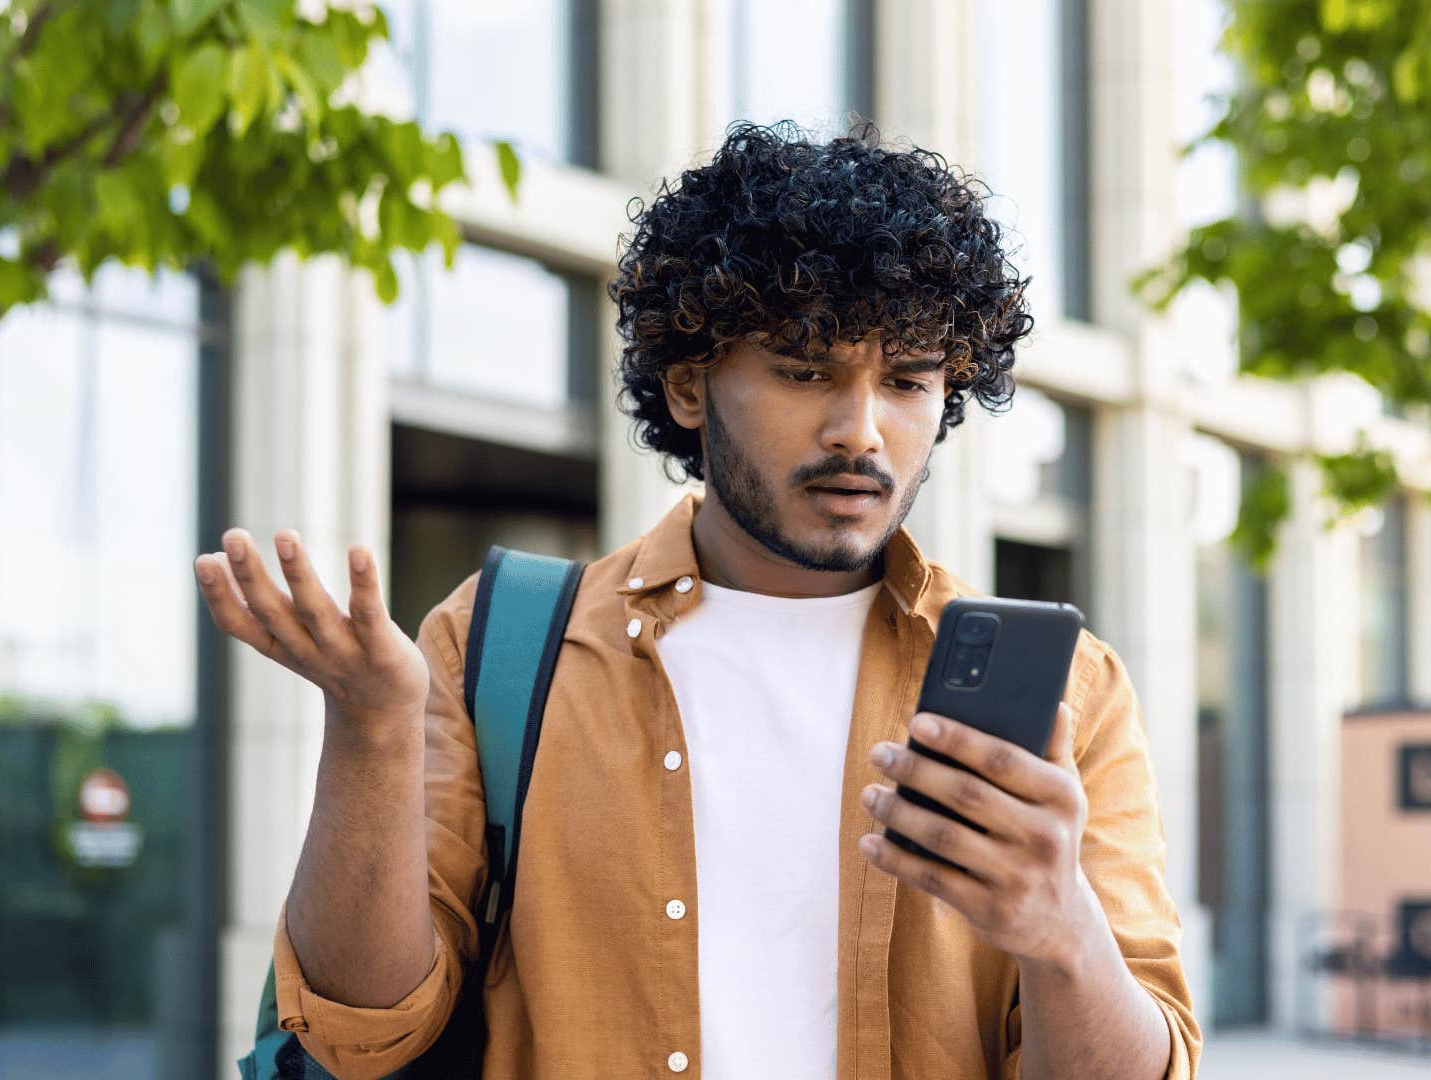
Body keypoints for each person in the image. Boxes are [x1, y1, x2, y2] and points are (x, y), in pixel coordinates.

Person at [194, 121, 1201, 1080]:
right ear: (689, 386)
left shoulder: (1071, 693)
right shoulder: (500, 643)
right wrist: (370, 730)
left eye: (906, 380)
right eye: (806, 370)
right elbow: (364, 1036)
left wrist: (1061, 932)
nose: (861, 429)